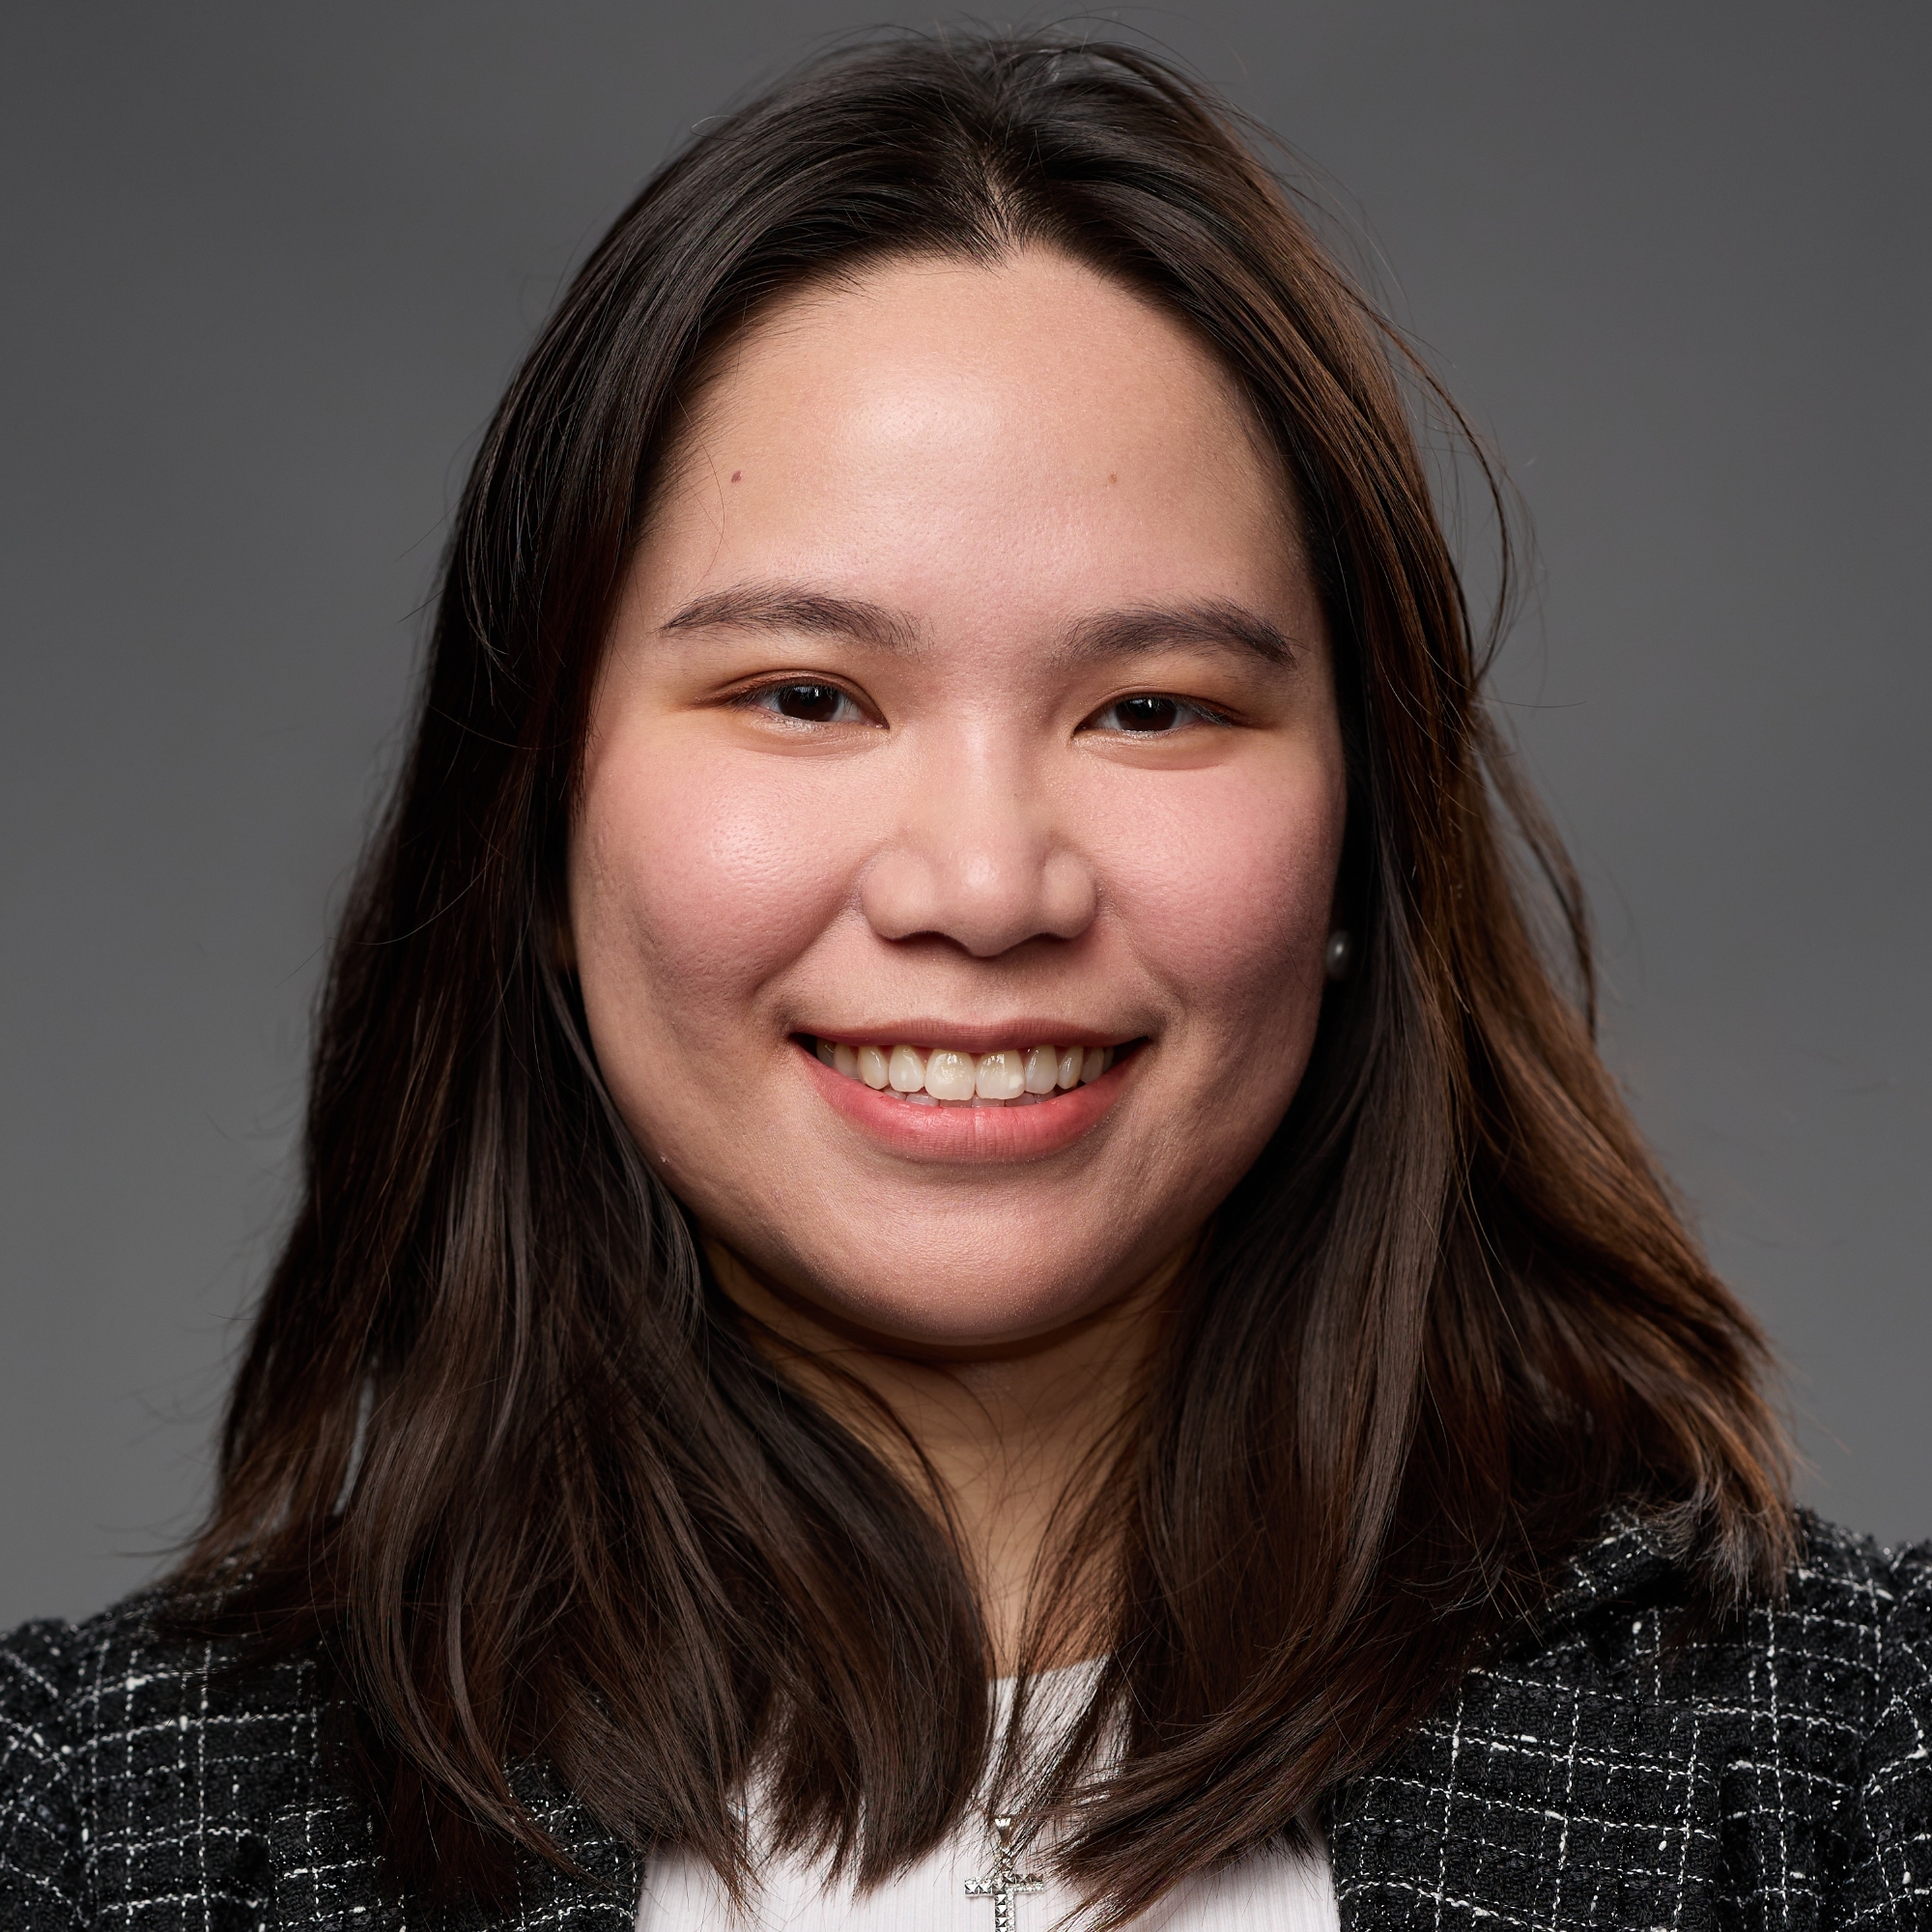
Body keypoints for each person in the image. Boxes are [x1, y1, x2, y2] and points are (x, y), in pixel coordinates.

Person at [2, 32, 1926, 1932]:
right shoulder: (99, 1836)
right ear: (528, 828)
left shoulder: (1843, 1776)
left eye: (1151, 706)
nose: (986, 885)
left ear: (1366, 831)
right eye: (807, 696)